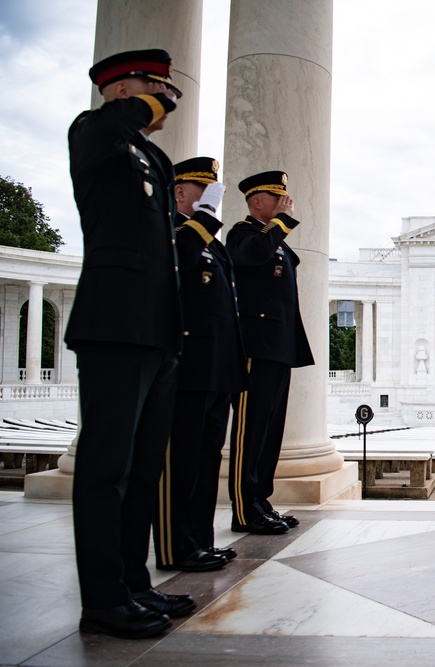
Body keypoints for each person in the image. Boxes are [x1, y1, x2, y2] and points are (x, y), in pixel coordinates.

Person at [66, 49, 195, 639]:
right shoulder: (95, 132)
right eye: (154, 87)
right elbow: (110, 126)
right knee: (106, 469)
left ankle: (134, 584)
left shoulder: (150, 156)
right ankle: (103, 599)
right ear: (122, 89)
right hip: (114, 324)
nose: (166, 100)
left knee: (142, 471)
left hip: (154, 330)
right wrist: (141, 104)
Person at [153, 157, 247, 572]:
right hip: (188, 367)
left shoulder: (210, 243)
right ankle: (176, 546)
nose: (211, 199)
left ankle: (199, 540)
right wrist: (204, 220)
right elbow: (174, 268)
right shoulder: (173, 233)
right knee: (182, 461)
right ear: (179, 192)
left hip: (216, 369)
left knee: (207, 459)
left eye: (214, 193)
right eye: (202, 191)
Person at [227, 171, 314, 535]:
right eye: (276, 197)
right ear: (256, 201)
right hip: (254, 347)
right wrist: (281, 223)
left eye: (284, 197)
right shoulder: (242, 234)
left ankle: (261, 500)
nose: (284, 202)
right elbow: (253, 255)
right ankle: (244, 509)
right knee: (250, 431)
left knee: (269, 431)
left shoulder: (273, 241)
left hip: (277, 347)